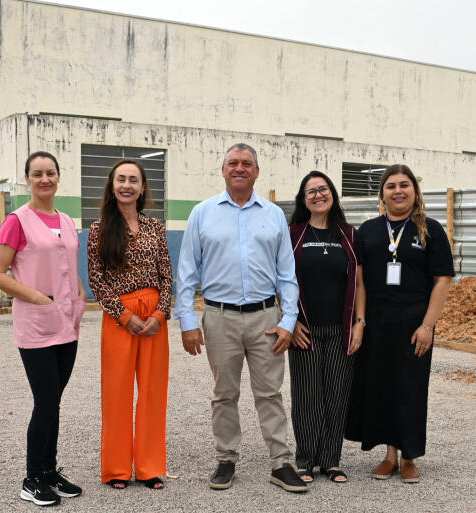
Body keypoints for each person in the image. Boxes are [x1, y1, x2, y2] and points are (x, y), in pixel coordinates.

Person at [174, 143, 308, 493]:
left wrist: (288, 320)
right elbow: (187, 272)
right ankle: (226, 459)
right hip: (220, 318)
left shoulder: (273, 214)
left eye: (247, 163)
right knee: (224, 394)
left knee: (270, 393)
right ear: (223, 170)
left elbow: (286, 274)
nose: (239, 168)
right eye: (232, 162)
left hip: (266, 317)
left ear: (257, 172)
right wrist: (187, 321)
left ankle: (281, 463)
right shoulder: (202, 213)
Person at [0, 151, 87, 507]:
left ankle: (49, 471)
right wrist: (38, 298)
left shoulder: (64, 219)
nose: (44, 179)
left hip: (67, 322)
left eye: (50, 173)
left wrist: (77, 290)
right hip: (37, 323)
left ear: (59, 177)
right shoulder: (17, 221)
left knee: (55, 400)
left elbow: (65, 262)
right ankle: (31, 479)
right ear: (27, 179)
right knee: (45, 400)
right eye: (37, 174)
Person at [345, 164, 454, 483]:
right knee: (380, 387)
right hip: (378, 324)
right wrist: (360, 321)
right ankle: (389, 456)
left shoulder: (430, 229)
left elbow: (442, 281)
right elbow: (360, 282)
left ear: (415, 192)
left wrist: (428, 326)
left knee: (410, 389)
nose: (398, 190)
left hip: (413, 325)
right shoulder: (368, 231)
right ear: (382, 194)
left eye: (404, 185)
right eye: (391, 185)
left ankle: (409, 457)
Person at [86, 160, 172, 490]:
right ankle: (117, 469)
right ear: (112, 185)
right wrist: (125, 317)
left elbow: (167, 276)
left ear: (142, 188)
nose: (126, 185)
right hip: (119, 317)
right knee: (117, 393)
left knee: (152, 393)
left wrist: (160, 315)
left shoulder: (156, 228)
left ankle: (150, 467)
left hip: (154, 319)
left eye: (133, 180)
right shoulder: (99, 230)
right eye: (120, 179)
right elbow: (97, 279)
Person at [287, 171, 366, 484]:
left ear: (332, 194)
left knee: (337, 394)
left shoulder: (348, 234)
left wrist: (360, 323)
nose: (318, 195)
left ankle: (331, 460)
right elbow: (280, 281)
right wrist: (289, 321)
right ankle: (305, 459)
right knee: (307, 396)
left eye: (323, 189)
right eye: (311, 192)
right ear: (303, 200)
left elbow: (359, 282)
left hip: (340, 328)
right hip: (303, 328)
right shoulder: (293, 234)